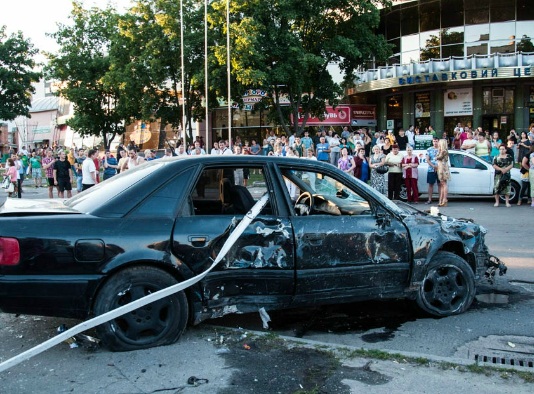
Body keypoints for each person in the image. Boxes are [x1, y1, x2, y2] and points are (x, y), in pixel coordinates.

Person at [425, 137, 440, 204]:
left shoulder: (441, 149)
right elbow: (427, 160)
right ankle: (429, 199)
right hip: (431, 169)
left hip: (440, 169)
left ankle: (440, 199)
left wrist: (438, 167)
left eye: (436, 141)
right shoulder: (429, 149)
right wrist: (433, 166)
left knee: (440, 184)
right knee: (431, 184)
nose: (435, 143)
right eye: (434, 141)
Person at [436, 139, 451, 207]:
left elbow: (438, 157)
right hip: (441, 167)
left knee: (444, 184)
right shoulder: (442, 151)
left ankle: (444, 199)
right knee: (442, 184)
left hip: (443, 168)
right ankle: (441, 200)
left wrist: (437, 154)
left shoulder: (443, 151)